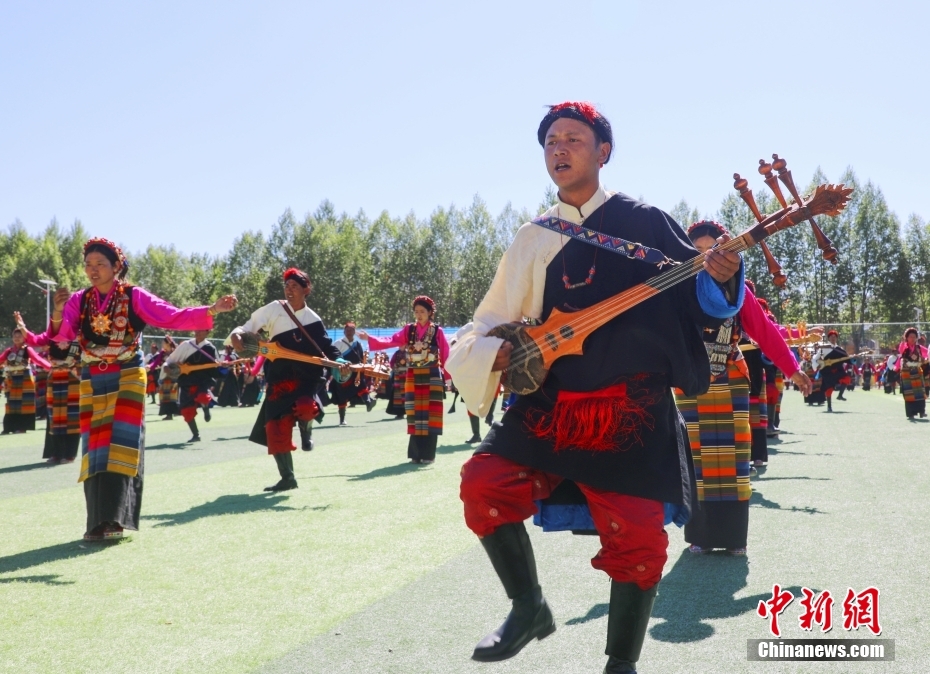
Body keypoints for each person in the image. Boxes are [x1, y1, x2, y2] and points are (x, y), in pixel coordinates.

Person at [445, 102, 743, 673]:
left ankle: (620, 664)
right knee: (483, 483)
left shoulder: (646, 221)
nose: (559, 148)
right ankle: (528, 606)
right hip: (551, 403)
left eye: (573, 139)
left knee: (638, 540)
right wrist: (490, 352)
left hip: (631, 409)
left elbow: (701, 298)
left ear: (603, 152)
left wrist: (723, 281)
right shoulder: (534, 237)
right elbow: (488, 320)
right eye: (551, 141)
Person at [22, 237, 237, 541]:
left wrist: (212, 309)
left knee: (120, 443)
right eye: (88, 264)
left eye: (100, 264)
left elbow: (171, 316)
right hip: (92, 377)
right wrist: (57, 312)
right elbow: (60, 340)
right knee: (95, 448)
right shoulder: (79, 300)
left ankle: (116, 520)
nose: (93, 270)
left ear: (116, 267)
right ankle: (96, 522)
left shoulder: (134, 296)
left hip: (127, 375)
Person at [679, 222, 810, 556]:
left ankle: (735, 537)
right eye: (698, 251)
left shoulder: (738, 291)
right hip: (690, 384)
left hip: (731, 379)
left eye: (713, 250)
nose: (707, 258)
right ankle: (700, 536)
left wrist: (793, 370)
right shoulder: (679, 286)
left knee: (733, 459)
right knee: (696, 461)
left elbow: (764, 330)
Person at [229, 268, 344, 491]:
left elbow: (327, 347)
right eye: (287, 286)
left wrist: (340, 361)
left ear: (306, 290)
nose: (289, 290)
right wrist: (236, 335)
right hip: (279, 379)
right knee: (275, 429)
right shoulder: (275, 308)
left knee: (306, 407)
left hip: (307, 379)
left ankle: (306, 431)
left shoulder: (313, 320)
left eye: (295, 286)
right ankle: (288, 478)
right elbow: (247, 327)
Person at [359, 296, 451, 465]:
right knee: (414, 414)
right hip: (413, 376)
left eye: (422, 311)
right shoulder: (409, 330)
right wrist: (370, 339)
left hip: (432, 376)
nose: (419, 315)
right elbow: (392, 340)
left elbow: (446, 354)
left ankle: (428, 455)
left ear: (430, 313)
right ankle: (415, 454)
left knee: (431, 414)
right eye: (416, 312)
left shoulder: (438, 331)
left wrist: (449, 378)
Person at [164, 330, 218, 442]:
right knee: (186, 409)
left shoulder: (210, 348)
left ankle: (206, 409)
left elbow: (216, 365)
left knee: (203, 397)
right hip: (186, 380)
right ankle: (196, 435)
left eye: (201, 330)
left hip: (202, 380)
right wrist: (166, 366)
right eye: (196, 330)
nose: (198, 332)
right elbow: (171, 359)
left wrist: (221, 365)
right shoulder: (186, 345)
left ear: (207, 333)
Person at [1, 327, 50, 434]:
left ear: (24, 338)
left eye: (19, 336)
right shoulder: (9, 351)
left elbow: (38, 360)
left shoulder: (28, 349)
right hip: (11, 379)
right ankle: (9, 427)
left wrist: (51, 368)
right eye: (15, 336)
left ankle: (22, 427)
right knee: (11, 403)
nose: (17, 338)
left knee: (24, 404)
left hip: (25, 379)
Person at [329, 322, 377, 425]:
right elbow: (333, 357)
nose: (349, 332)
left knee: (361, 386)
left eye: (351, 330)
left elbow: (361, 358)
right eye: (347, 330)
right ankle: (342, 419)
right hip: (343, 373)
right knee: (342, 396)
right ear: (344, 331)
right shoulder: (338, 343)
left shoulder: (358, 344)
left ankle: (368, 402)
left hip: (356, 373)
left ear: (354, 332)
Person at [895, 327, 928, 419]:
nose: (912, 339)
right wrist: (903, 341)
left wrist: (926, 359)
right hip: (907, 373)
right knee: (909, 392)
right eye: (910, 337)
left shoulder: (919, 348)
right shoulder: (904, 347)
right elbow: (901, 350)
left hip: (917, 371)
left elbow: (927, 353)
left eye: (914, 337)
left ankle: (921, 411)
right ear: (907, 338)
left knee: (920, 392)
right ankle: (911, 413)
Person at [817, 330, 849, 412]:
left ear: (837, 338)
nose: (833, 338)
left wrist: (853, 358)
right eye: (831, 337)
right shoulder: (824, 348)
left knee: (847, 379)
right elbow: (816, 358)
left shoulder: (839, 349)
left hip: (838, 369)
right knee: (829, 388)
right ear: (829, 338)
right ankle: (829, 407)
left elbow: (847, 359)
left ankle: (840, 395)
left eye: (834, 337)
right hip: (827, 371)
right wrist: (818, 364)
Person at [157, 336, 181, 419]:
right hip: (164, 377)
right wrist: (151, 366)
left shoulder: (175, 352)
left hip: (173, 376)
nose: (162, 344)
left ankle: (174, 412)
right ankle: (168, 414)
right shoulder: (162, 353)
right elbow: (156, 362)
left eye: (163, 343)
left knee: (172, 395)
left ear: (168, 344)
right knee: (165, 396)